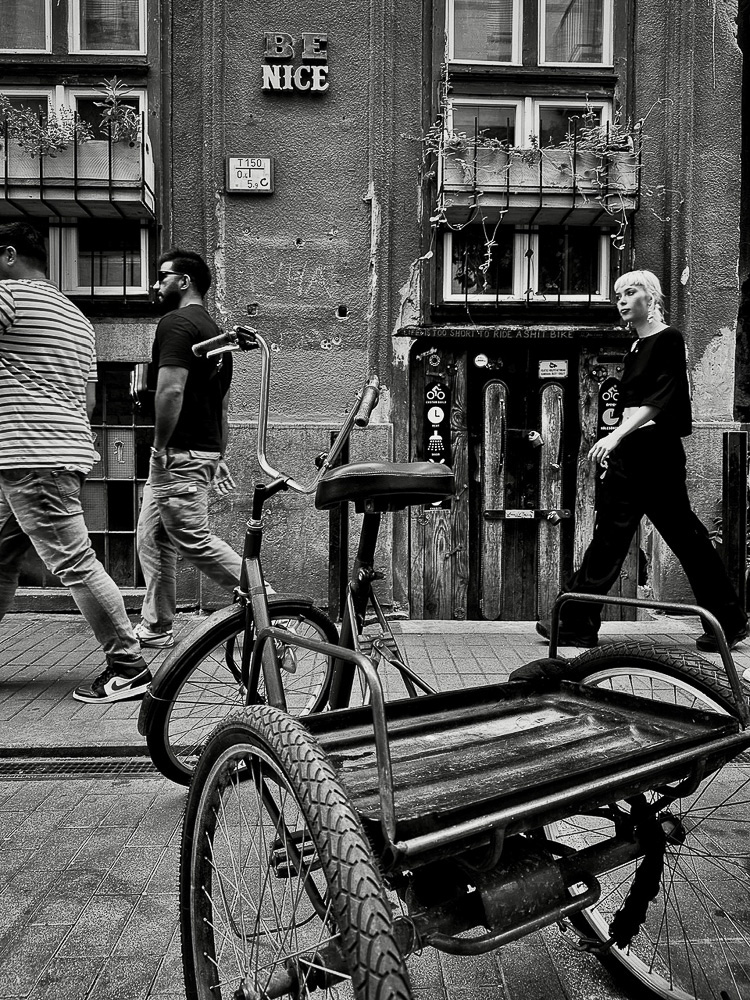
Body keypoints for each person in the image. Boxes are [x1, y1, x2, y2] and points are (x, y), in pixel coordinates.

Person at [537, 268, 749, 653]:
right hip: (631, 453)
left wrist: (616, 436)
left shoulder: (669, 339)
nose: (621, 300)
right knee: (609, 536)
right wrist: (618, 443)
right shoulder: (635, 346)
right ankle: (576, 623)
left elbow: (659, 401)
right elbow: (632, 405)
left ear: (650, 298)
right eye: (618, 294)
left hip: (656, 454)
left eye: (630, 292)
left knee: (686, 538)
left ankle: (729, 620)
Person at [0, 222, 151, 702]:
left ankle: (128, 665)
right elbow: (87, 402)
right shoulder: (76, 318)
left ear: (9, 255)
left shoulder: (7, 298)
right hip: (59, 451)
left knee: (74, 562)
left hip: (29, 454)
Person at [135, 249, 242, 647]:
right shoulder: (214, 332)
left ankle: (271, 604)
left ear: (184, 281)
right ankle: (157, 625)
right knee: (152, 537)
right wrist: (218, 454)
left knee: (193, 539)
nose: (156, 284)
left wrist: (160, 447)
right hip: (197, 450)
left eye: (162, 276)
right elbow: (221, 406)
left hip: (176, 453)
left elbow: (171, 390)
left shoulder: (177, 323)